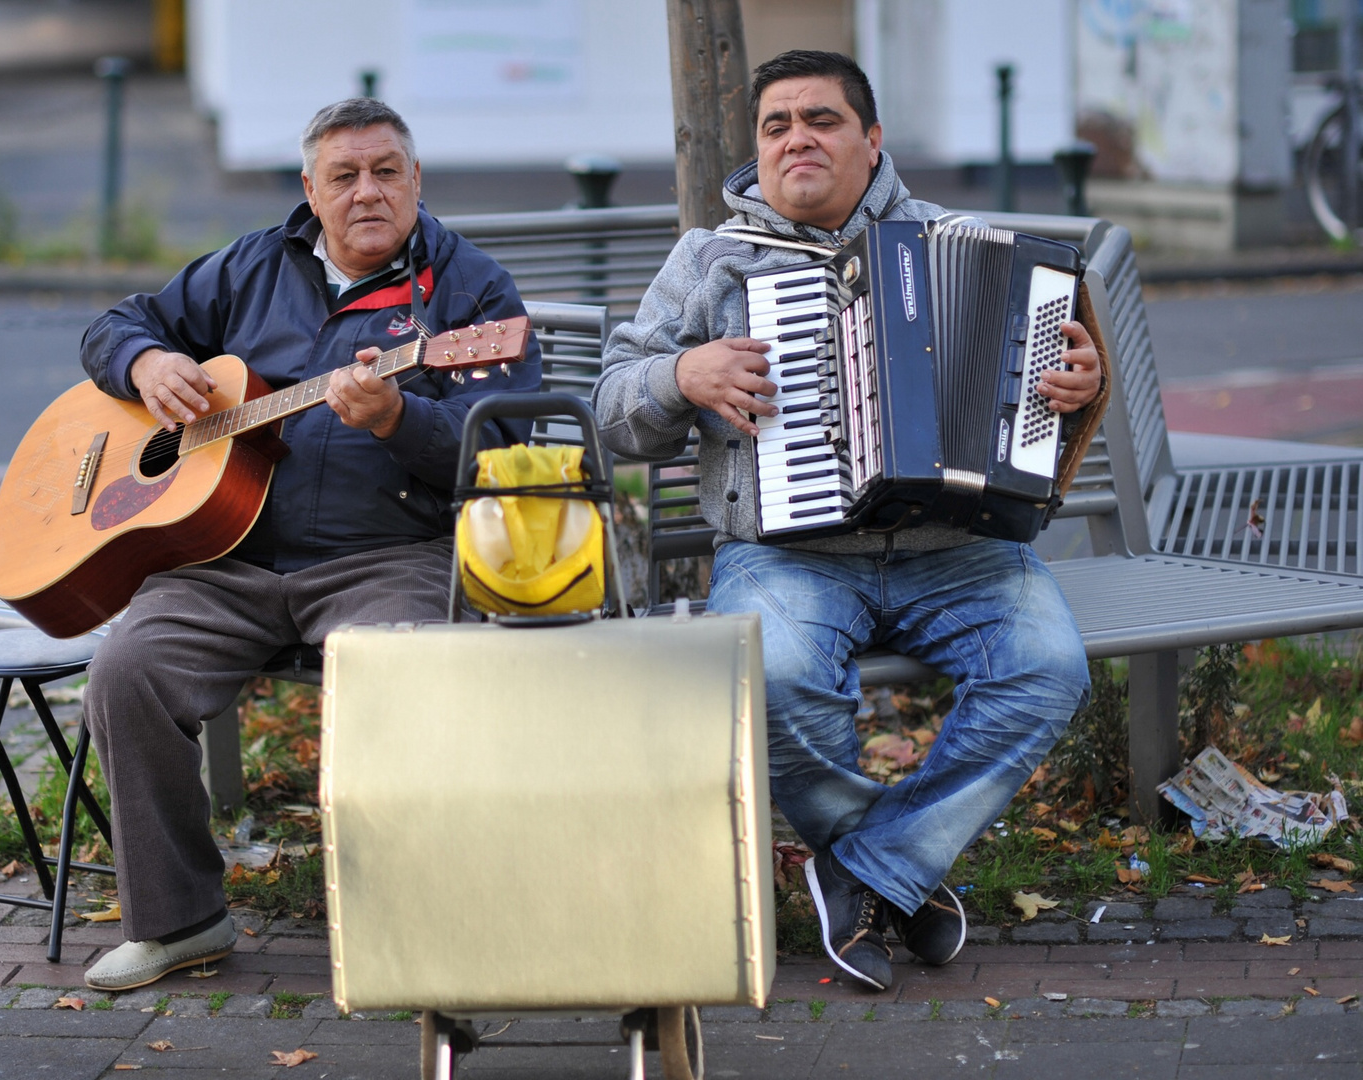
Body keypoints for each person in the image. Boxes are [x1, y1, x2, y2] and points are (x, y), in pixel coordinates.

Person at [594, 50, 1100, 991]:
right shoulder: (711, 260)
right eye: (776, 125)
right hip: (790, 557)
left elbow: (1048, 387)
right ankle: (899, 869)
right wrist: (679, 376)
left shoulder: (964, 241)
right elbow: (612, 407)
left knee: (1046, 668)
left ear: (871, 140)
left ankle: (868, 870)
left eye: (820, 120)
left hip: (959, 549)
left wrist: (1075, 385)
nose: (796, 139)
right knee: (777, 678)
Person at [77, 98, 539, 991]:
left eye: (386, 171)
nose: (367, 191)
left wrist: (402, 421)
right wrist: (145, 362)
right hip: (226, 559)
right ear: (311, 190)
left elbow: (508, 449)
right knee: (126, 670)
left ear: (416, 179)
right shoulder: (254, 264)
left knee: (411, 669)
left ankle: (413, 915)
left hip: (388, 557)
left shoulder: (473, 292)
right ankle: (180, 920)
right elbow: (116, 322)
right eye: (345, 176)